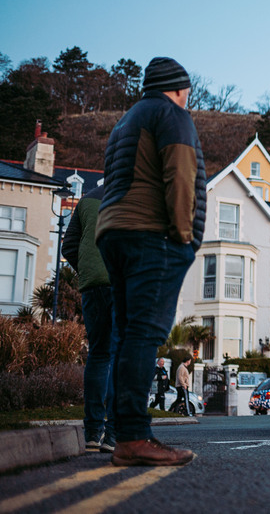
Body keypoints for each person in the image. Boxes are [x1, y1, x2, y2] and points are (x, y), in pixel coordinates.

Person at [96, 56, 206, 467]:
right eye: (187, 92)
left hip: (114, 230)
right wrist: (185, 236)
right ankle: (135, 438)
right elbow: (180, 174)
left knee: (126, 334)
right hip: (150, 233)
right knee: (144, 334)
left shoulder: (127, 119)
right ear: (178, 89)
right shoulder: (171, 114)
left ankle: (124, 433)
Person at [61, 183, 117, 453]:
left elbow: (68, 247)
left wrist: (88, 272)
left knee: (98, 354)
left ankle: (93, 433)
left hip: (92, 286)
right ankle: (115, 435)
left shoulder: (86, 200)